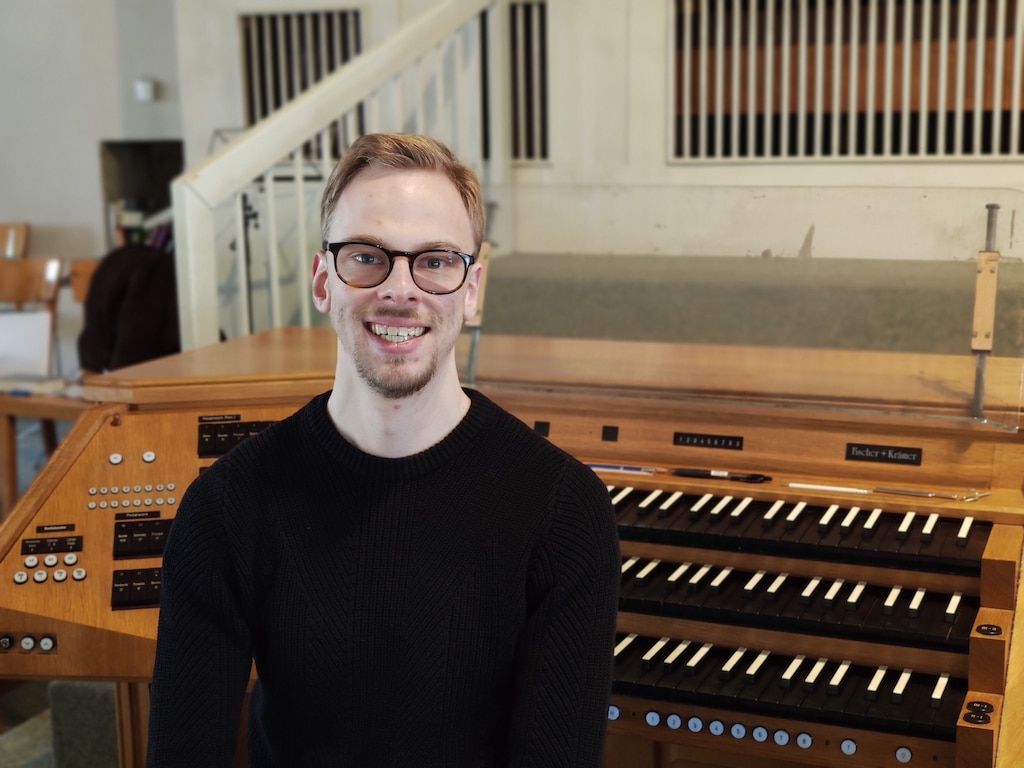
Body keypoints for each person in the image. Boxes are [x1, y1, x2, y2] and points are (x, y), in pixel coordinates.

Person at [146, 133, 621, 767]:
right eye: (367, 256)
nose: (400, 289)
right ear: (323, 280)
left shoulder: (563, 510)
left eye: (434, 260)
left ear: (472, 289)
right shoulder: (227, 505)